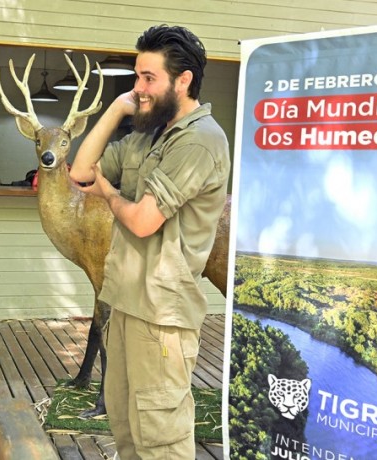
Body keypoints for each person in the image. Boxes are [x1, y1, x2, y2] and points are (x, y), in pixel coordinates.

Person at [70, 25, 231, 459]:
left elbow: (142, 221)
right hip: (124, 303)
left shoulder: (200, 140)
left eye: (148, 78)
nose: (138, 88)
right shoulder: (148, 132)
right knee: (126, 429)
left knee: (161, 441)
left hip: (162, 317)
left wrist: (109, 193)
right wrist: (117, 109)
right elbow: (81, 172)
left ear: (184, 80)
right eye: (136, 77)